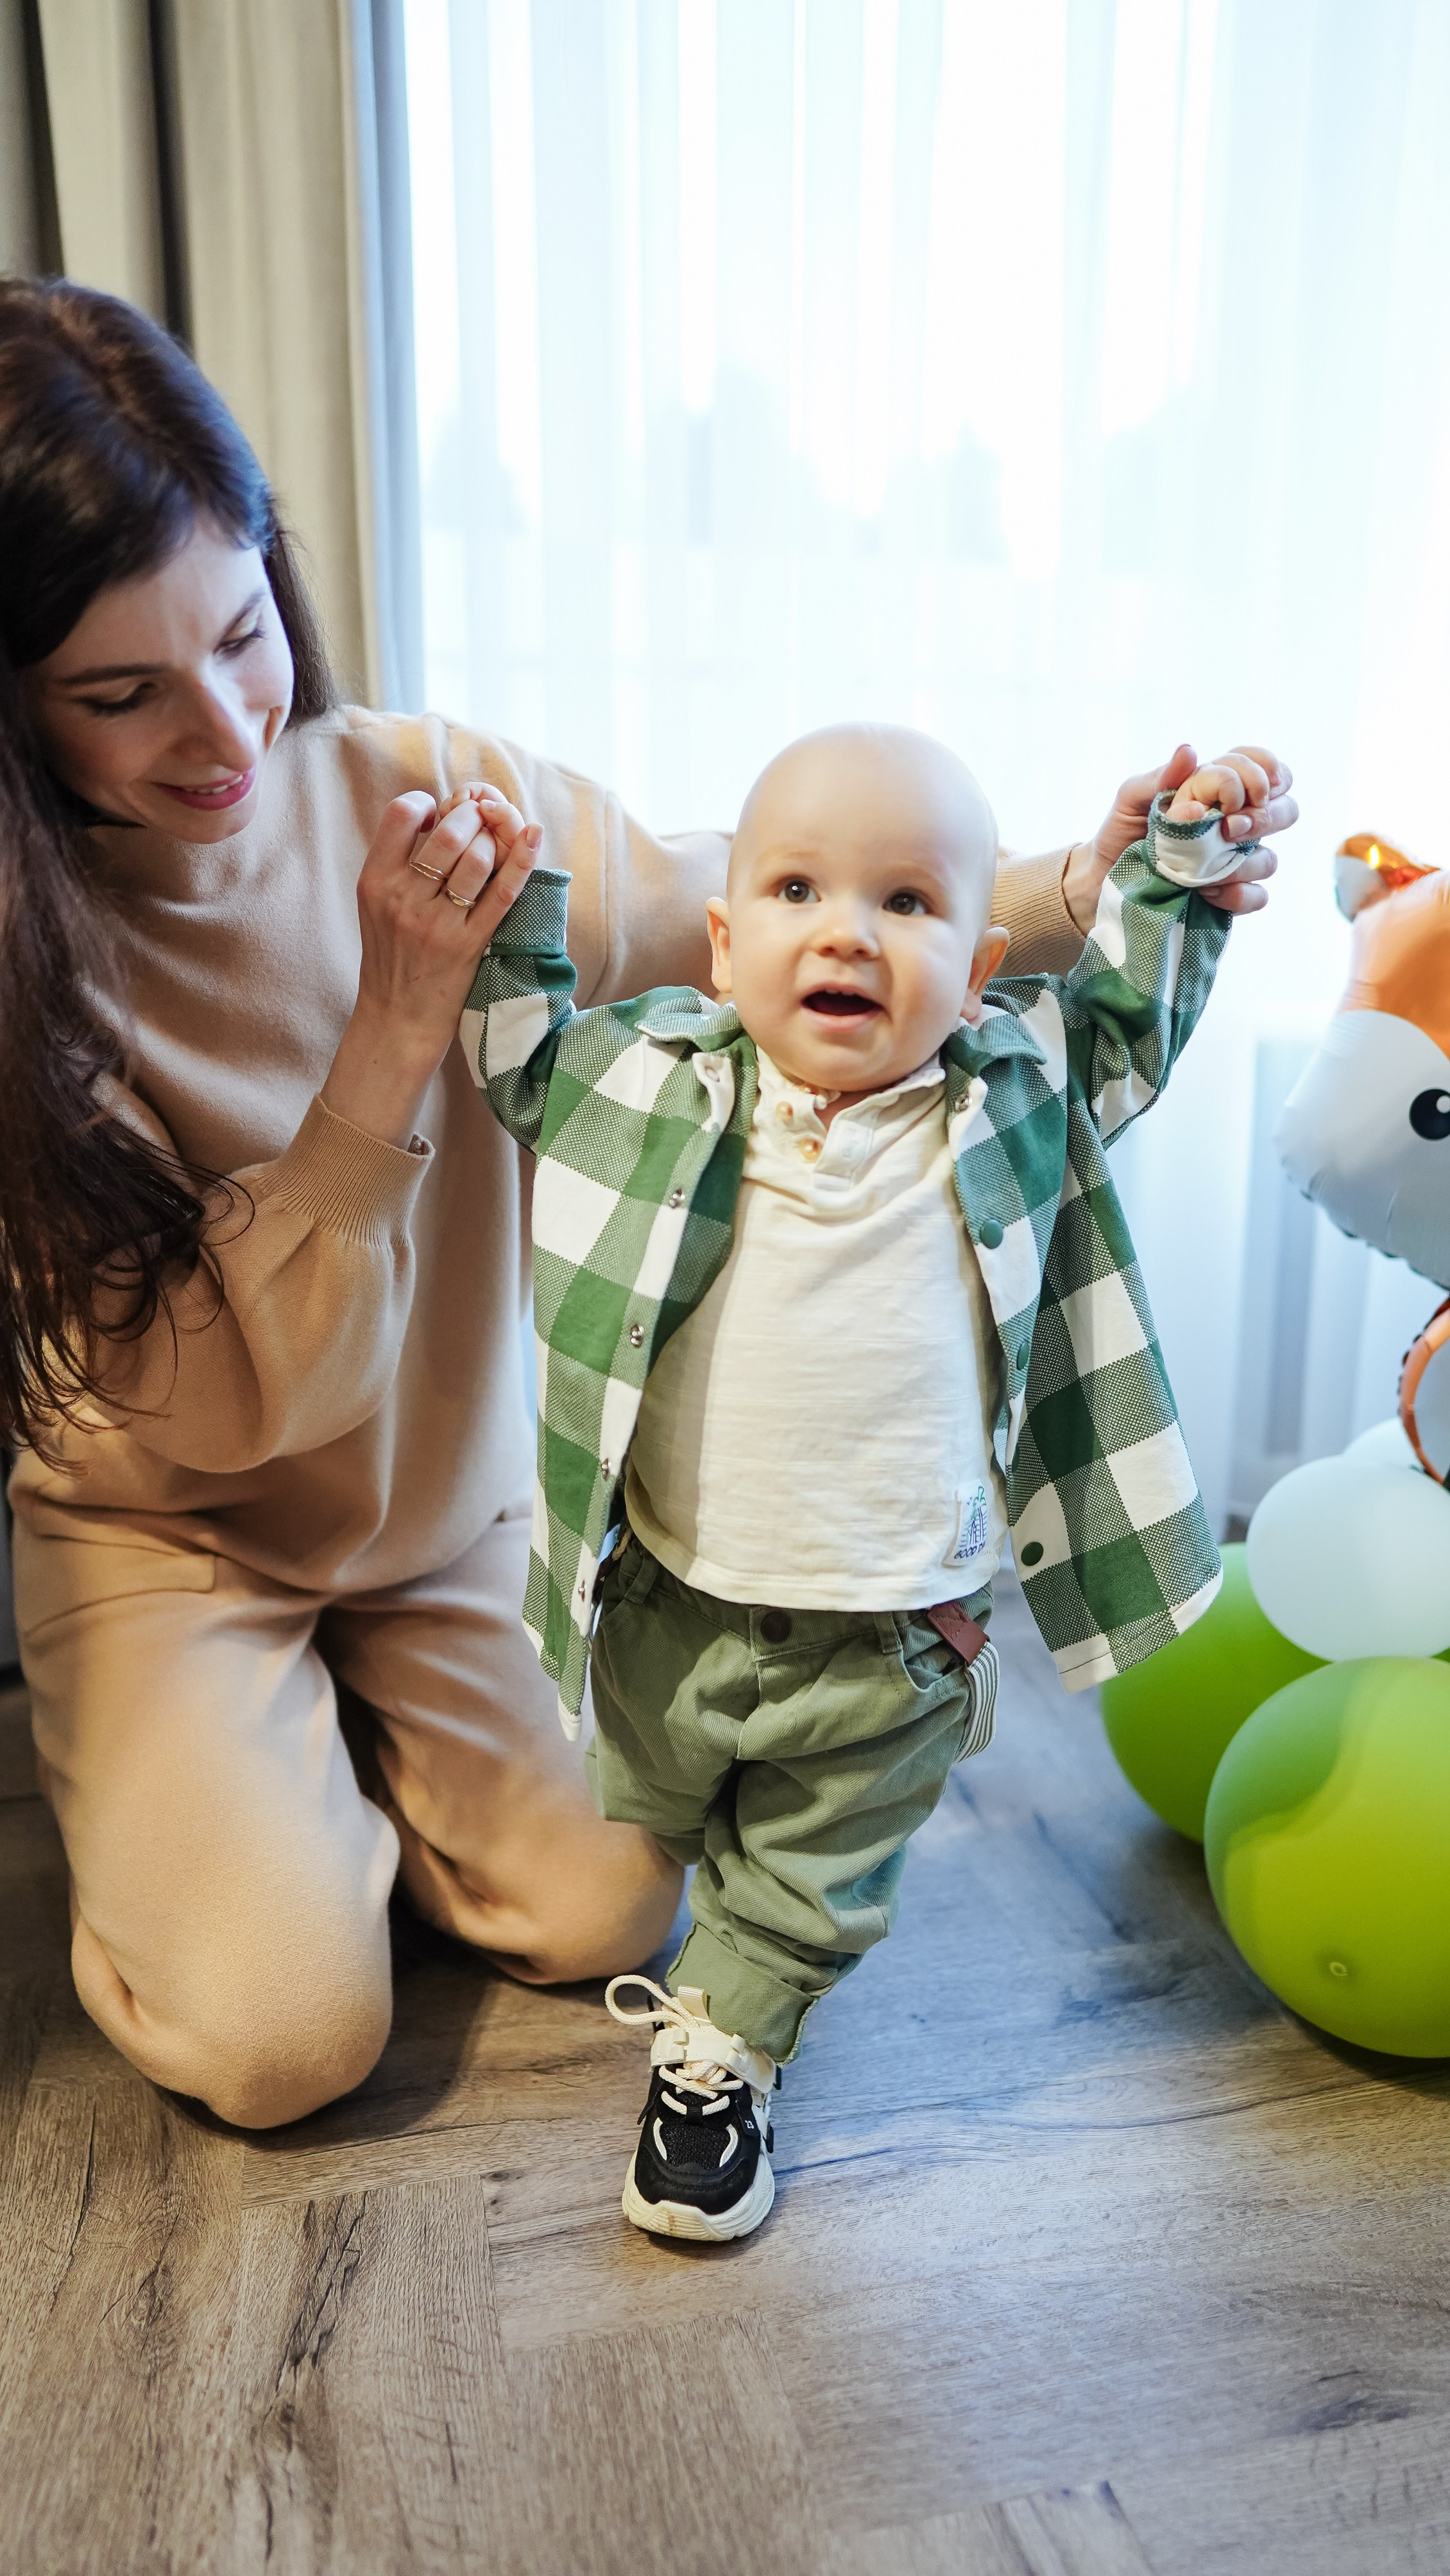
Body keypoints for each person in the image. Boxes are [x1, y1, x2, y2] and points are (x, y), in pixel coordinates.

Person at [0, 276, 1293, 2133]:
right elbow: (216, 1408)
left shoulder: (413, 788)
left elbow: (743, 912)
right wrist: (388, 1036)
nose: (220, 731)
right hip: (181, 1535)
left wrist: (1083, 890)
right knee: (282, 2046)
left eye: (237, 634)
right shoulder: (34, 977)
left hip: (446, 1511)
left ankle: (340, 1748)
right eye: (121, 694)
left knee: (610, 1895)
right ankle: (192, 1755)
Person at [448, 724, 1288, 2240]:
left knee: (805, 1879)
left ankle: (726, 2048)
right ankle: (731, 1927)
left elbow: (1123, 1017)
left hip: (895, 1631)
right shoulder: (646, 1088)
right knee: (653, 1809)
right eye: (794, 889)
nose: (846, 928)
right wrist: (506, 897)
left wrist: (1177, 860)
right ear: (722, 943)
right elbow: (521, 1057)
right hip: (664, 1598)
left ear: (975, 970)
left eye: (905, 904)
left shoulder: (1011, 1093)